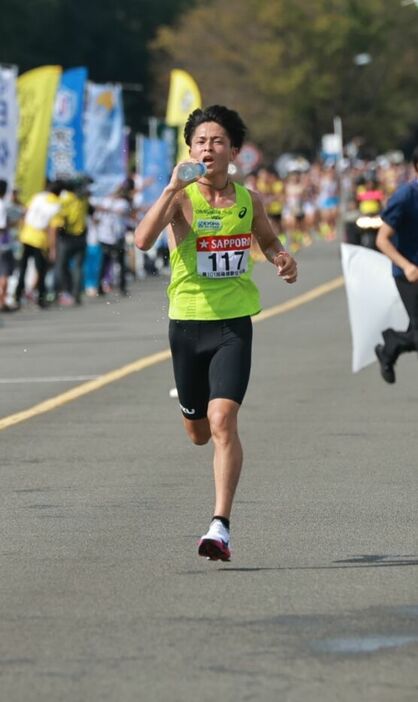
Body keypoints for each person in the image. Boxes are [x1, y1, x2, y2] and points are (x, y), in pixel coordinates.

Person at [135, 105, 297, 561]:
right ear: (190, 150)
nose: (209, 148)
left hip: (233, 326)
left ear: (235, 151)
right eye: (201, 141)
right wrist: (171, 187)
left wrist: (283, 257)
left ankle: (220, 526)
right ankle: (192, 413)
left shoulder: (248, 200)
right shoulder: (182, 198)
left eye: (218, 141)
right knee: (199, 433)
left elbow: (267, 241)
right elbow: (143, 240)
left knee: (224, 421)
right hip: (186, 325)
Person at [374, 146, 418, 383]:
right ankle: (391, 343)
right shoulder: (405, 197)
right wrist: (407, 266)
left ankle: (391, 347)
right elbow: (382, 239)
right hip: (408, 274)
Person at [14, 181, 64, 309]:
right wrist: (53, 249)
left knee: (23, 269)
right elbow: (52, 230)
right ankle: (41, 299)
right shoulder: (57, 205)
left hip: (26, 236)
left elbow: (25, 212)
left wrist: (21, 231)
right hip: (40, 240)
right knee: (41, 270)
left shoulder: (38, 197)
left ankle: (17, 296)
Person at [54, 178, 90, 306]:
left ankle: (65, 292)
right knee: (78, 268)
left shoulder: (66, 199)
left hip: (67, 237)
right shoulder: (83, 199)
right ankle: (76, 294)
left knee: (62, 266)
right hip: (81, 236)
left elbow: (60, 218)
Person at [0, 180, 16, 312]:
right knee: (4, 273)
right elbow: (2, 226)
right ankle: (2, 300)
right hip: (3, 244)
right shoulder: (2, 205)